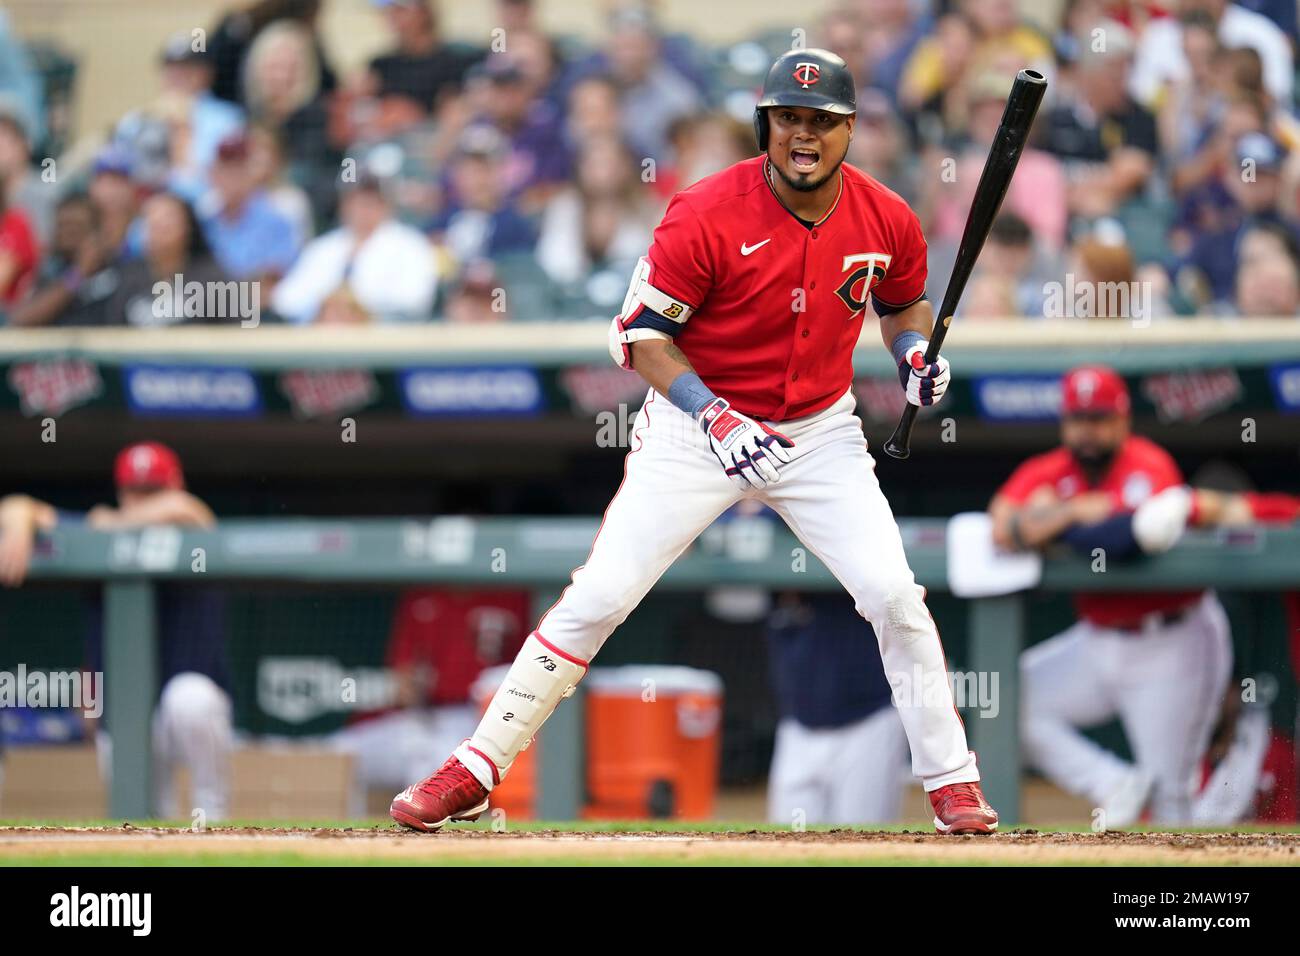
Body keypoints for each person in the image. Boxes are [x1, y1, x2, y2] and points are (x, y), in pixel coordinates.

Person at [390, 49, 997, 835]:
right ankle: (475, 767)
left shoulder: (886, 214)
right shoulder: (706, 209)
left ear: (849, 130)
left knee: (892, 597)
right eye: (788, 119)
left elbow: (905, 304)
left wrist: (914, 356)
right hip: (694, 425)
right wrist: (713, 415)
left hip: (817, 431)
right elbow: (643, 338)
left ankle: (951, 781)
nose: (802, 135)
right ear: (765, 126)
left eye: (820, 121)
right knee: (601, 596)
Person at [987, 366, 1233, 825]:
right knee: (1004, 702)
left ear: (1122, 420)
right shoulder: (1052, 469)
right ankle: (1110, 782)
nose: (1088, 431)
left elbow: (1122, 540)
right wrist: (1073, 512)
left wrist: (1045, 525)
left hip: (1170, 639)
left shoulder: (1149, 464)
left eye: (1099, 418)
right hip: (1097, 639)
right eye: (1078, 419)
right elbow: (1001, 527)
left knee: (1168, 799)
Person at [0, 442, 234, 820]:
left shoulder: (193, 530)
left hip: (186, 709)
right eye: (137, 492)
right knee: (143, 820)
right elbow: (15, 504)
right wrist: (19, 525)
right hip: (126, 712)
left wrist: (101, 524)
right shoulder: (101, 534)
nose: (145, 501)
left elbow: (184, 508)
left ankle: (215, 812)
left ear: (177, 484)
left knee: (188, 698)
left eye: (153, 491)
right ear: (122, 491)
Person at [327, 587, 529, 813]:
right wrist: (408, 687)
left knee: (432, 770)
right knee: (340, 751)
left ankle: (443, 842)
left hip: (477, 717)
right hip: (423, 716)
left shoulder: (513, 594)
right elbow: (404, 681)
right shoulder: (423, 597)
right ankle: (351, 841)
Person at [766, 593, 910, 825]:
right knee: (787, 843)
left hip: (869, 719)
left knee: (863, 842)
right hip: (797, 725)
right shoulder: (783, 568)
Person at [271, 173, 437, 323]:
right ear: (344, 205)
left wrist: (354, 308)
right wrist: (327, 307)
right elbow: (284, 300)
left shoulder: (410, 244)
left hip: (385, 345)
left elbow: (416, 299)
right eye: (356, 200)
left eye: (372, 201)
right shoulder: (324, 247)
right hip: (321, 341)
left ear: (388, 205)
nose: (363, 209)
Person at [104, 192, 235, 327]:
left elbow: (233, 332)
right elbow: (115, 332)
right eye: (151, 223)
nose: (158, 229)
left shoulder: (212, 279)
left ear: (187, 227)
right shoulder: (129, 278)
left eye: (166, 221)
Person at [198, 131, 300, 283]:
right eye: (225, 169)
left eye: (239, 169)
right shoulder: (205, 220)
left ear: (251, 172)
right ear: (214, 174)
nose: (231, 178)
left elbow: (276, 276)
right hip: (206, 301)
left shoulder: (276, 220)